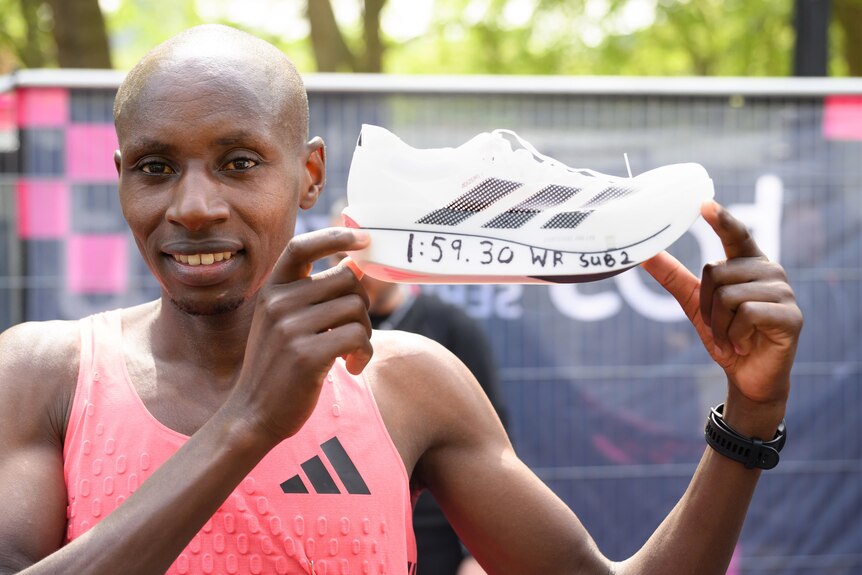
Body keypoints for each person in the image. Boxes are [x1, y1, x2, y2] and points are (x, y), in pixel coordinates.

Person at [0, 24, 803, 575]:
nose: (195, 206)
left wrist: (752, 412)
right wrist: (249, 423)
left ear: (310, 173)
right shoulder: (44, 374)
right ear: (119, 179)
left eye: (240, 162)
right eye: (155, 167)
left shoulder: (408, 381)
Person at [328, 201, 505, 575]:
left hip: (435, 538)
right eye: (337, 257)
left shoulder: (452, 327)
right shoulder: (313, 330)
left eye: (362, 256)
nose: (350, 270)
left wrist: (477, 556)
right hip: (342, 537)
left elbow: (495, 447)